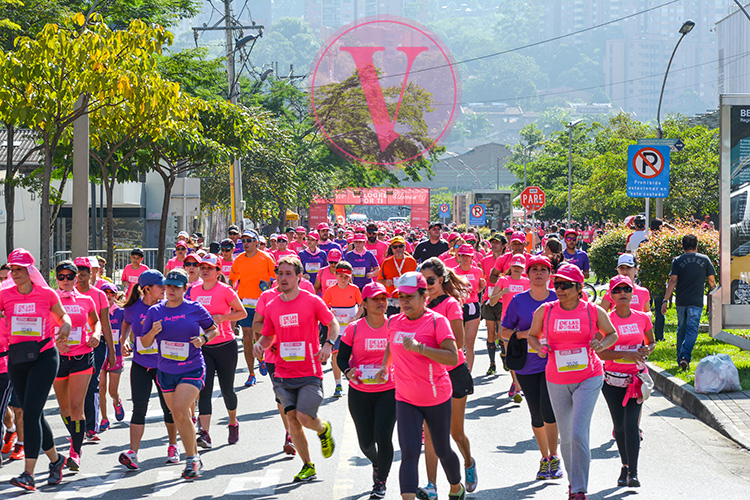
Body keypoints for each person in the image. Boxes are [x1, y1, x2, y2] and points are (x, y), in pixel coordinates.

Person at [527, 264, 618, 500]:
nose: (560, 288)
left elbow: (612, 334)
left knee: (578, 433)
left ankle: (579, 489)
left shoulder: (592, 311)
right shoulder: (545, 311)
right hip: (556, 378)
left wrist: (602, 345)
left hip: (588, 377)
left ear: (579, 288)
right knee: (566, 437)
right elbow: (532, 336)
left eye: (566, 285)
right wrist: (540, 347)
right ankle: (572, 482)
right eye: (557, 284)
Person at [375, 272, 465, 500]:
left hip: (435, 397)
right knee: (409, 452)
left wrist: (421, 349)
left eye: (410, 296)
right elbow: (391, 345)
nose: (404, 301)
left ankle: (456, 487)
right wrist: (386, 366)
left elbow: (452, 358)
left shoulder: (437, 321)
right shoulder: (394, 321)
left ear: (424, 296)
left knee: (442, 449)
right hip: (405, 398)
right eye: (400, 297)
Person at [253, 256, 338, 483]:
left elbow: (333, 323)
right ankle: (308, 465)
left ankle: (322, 429)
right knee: (291, 419)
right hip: (282, 371)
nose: (283, 278)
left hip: (309, 371)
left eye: (288, 274)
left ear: (299, 277)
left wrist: (328, 344)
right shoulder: (272, 305)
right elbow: (269, 335)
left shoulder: (312, 301)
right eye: (280, 273)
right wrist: (260, 344)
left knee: (303, 416)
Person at [0, 248, 71, 490]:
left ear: (30, 271)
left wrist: (66, 326)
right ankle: (56, 460)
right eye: (12, 269)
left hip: (44, 356)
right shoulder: (4, 294)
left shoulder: (47, 294)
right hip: (17, 359)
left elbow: (63, 317)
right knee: (35, 413)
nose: (15, 273)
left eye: (19, 269)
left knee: (29, 414)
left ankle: (28, 474)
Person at [140, 269, 219, 479]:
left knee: (180, 410)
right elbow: (144, 343)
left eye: (176, 287)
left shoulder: (194, 308)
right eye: (168, 286)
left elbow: (213, 329)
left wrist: (204, 339)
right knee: (179, 415)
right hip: (166, 370)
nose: (170, 290)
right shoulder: (155, 311)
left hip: (192, 367)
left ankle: (191, 458)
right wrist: (152, 332)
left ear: (185, 288)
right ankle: (194, 453)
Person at [500, 256, 562, 481]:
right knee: (536, 413)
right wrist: (529, 334)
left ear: (549, 275)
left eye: (543, 270)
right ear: (527, 274)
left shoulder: (559, 299)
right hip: (527, 365)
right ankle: (544, 457)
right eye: (534, 269)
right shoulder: (518, 301)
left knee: (549, 411)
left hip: (554, 364)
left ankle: (555, 457)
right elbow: (504, 332)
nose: (538, 273)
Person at [419, 259, 477, 498]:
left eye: (431, 280)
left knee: (455, 433)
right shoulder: (419, 304)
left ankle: (468, 461)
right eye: (423, 281)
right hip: (427, 373)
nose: (427, 285)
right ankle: (431, 485)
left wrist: (427, 346)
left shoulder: (451, 304)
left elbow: (460, 342)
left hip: (452, 372)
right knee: (430, 433)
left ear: (441, 280)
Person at [336, 282, 397, 499]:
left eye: (384, 298)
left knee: (383, 435)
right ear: (364, 303)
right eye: (376, 299)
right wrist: (347, 371)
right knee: (365, 442)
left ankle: (380, 483)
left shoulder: (395, 326)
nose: (382, 303)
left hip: (388, 391)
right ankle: (376, 462)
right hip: (360, 392)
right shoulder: (354, 328)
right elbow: (342, 357)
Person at [118, 270, 179, 471]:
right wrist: (123, 340)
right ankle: (133, 453)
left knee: (168, 407)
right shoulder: (134, 308)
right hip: (140, 364)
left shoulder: (166, 307)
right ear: (146, 289)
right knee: (139, 407)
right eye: (160, 286)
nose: (165, 289)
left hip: (164, 365)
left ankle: (173, 446)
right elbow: (126, 323)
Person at [599, 275, 655, 489]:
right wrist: (624, 354)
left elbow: (651, 342)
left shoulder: (642, 318)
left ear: (632, 293)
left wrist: (647, 350)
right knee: (619, 427)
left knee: (632, 425)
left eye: (626, 289)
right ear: (611, 295)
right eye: (618, 290)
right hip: (612, 382)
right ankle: (624, 466)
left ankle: (633, 471)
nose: (623, 293)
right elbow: (600, 354)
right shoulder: (605, 320)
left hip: (636, 380)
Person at [190, 254, 247, 448]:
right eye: (202, 267)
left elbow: (242, 313)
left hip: (225, 346)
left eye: (210, 268)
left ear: (218, 271)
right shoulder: (194, 291)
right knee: (204, 390)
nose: (205, 270)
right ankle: (205, 433)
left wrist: (223, 318)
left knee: (227, 389)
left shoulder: (225, 290)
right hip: (203, 346)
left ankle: (233, 422)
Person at [51, 260, 101, 470]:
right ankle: (75, 436)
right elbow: (40, 328)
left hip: (82, 356)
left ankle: (75, 452)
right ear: (56, 278)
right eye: (60, 277)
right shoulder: (49, 299)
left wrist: (97, 334)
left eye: (69, 276)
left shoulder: (86, 299)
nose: (65, 280)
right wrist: (55, 344)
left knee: (76, 407)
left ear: (76, 278)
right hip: (57, 359)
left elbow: (95, 321)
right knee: (63, 408)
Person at [73, 257, 116, 442]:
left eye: (84, 275)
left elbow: (105, 325)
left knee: (92, 383)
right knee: (73, 387)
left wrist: (112, 353)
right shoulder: (65, 294)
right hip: (72, 346)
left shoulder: (98, 295)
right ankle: (76, 425)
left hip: (96, 346)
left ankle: (91, 427)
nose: (80, 279)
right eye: (77, 275)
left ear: (92, 274)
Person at [661, 234, 717, 371]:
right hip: (696, 301)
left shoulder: (677, 260)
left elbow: (672, 281)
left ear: (682, 246)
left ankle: (680, 359)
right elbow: (711, 281)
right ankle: (685, 357)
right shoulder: (705, 260)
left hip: (681, 301)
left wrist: (665, 300)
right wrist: (715, 294)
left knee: (681, 330)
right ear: (696, 246)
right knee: (692, 330)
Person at [229, 229, 276, 387]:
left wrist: (268, 286)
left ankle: (261, 359)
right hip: (246, 303)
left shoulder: (266, 258)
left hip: (262, 303)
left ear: (256, 242)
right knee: (247, 338)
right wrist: (231, 297)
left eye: (249, 240)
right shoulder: (239, 260)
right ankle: (251, 373)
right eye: (244, 241)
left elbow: (277, 278)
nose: (246, 243)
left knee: (258, 337)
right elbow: (231, 280)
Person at [490, 255, 530, 400]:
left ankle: (518, 383)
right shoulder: (503, 280)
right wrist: (501, 293)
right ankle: (517, 386)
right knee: (511, 355)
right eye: (515, 266)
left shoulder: (527, 282)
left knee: (526, 354)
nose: (517, 269)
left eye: (520, 267)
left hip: (525, 323)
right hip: (508, 323)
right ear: (510, 267)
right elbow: (492, 302)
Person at [322, 261, 363, 398]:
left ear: (350, 277)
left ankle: (354, 380)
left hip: (351, 329)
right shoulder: (330, 290)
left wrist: (357, 316)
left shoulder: (355, 289)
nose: (343, 279)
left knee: (353, 356)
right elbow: (323, 307)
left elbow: (362, 305)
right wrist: (329, 313)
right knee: (336, 355)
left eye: (346, 277)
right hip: (336, 329)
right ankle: (338, 384)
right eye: (340, 276)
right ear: (335, 275)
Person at [452, 244, 485, 372]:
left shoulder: (477, 271)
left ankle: (468, 375)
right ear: (458, 256)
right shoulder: (453, 272)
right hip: (457, 307)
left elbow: (478, 290)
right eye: (462, 255)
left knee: (469, 344)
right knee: (458, 344)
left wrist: (481, 288)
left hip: (472, 306)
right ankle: (457, 372)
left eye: (467, 256)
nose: (465, 258)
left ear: (472, 257)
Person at [98, 282, 126, 431]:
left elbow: (127, 330)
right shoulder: (97, 312)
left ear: (115, 296)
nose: (108, 296)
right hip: (100, 353)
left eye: (112, 294)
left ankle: (117, 402)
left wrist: (125, 343)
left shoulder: (120, 312)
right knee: (101, 387)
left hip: (117, 354)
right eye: (105, 293)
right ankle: (104, 418)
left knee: (111, 390)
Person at [480, 234, 507, 375]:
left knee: (501, 333)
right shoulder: (485, 261)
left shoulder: (508, 260)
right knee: (491, 334)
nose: (494, 245)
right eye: (492, 242)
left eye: (497, 242)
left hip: (504, 300)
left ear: (504, 245)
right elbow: (481, 277)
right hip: (488, 300)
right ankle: (492, 364)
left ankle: (504, 355)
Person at [378, 236, 418, 316]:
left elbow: (417, 280)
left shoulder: (411, 261)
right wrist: (385, 282)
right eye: (395, 247)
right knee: (393, 326)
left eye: (400, 246)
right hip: (392, 301)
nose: (398, 249)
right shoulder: (386, 262)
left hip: (408, 299)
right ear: (391, 249)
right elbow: (379, 281)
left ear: (404, 247)